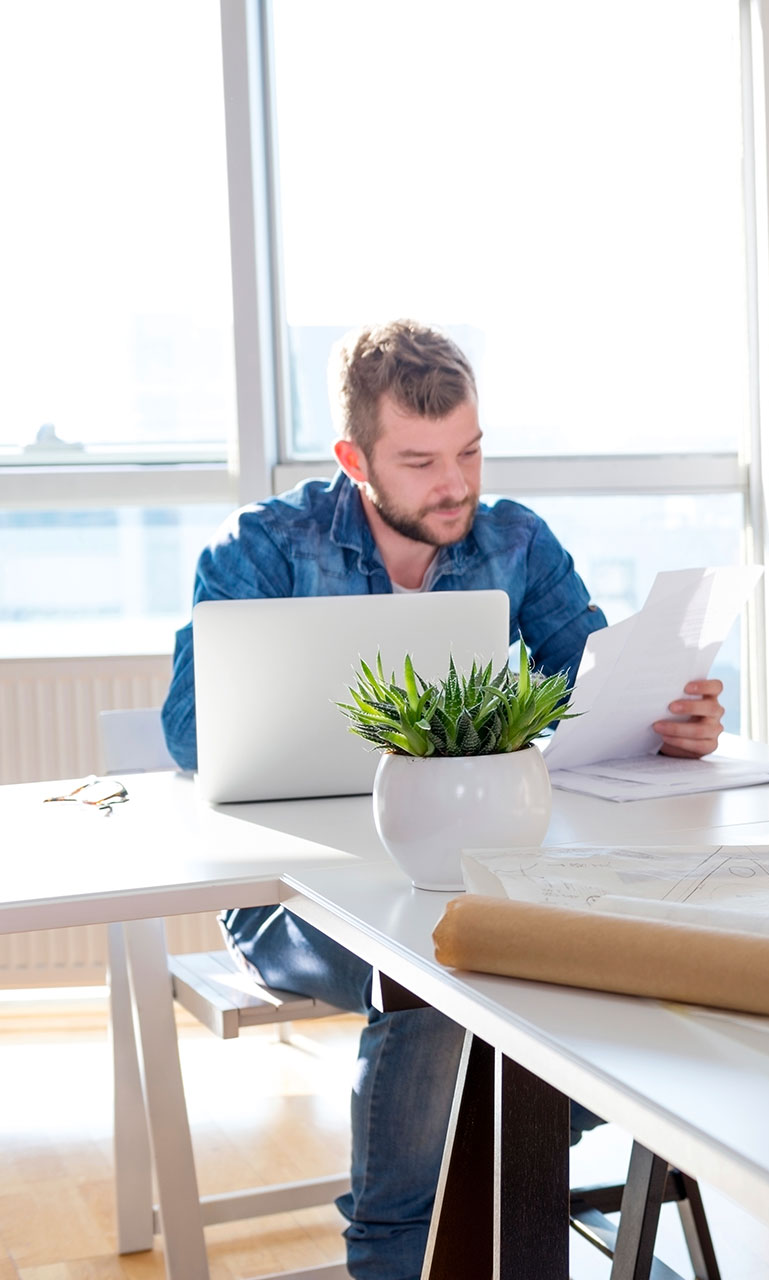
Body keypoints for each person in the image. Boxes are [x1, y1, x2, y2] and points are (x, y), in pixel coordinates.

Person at [160, 319, 727, 1280]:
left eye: (468, 451)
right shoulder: (263, 549)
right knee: (443, 967)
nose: (455, 484)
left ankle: (508, 1203)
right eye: (420, 462)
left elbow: (585, 697)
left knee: (601, 943)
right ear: (355, 458)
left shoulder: (515, 542)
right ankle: (399, 1253)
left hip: (469, 860)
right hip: (293, 895)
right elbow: (186, 729)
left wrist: (669, 721)